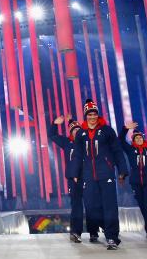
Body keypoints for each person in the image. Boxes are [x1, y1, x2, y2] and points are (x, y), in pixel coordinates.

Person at [72, 100, 128, 250]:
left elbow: (117, 151)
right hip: (88, 176)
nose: (92, 117)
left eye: (94, 114)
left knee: (110, 206)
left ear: (98, 115)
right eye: (89, 114)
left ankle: (112, 238)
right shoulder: (80, 134)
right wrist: (75, 173)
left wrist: (122, 170)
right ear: (85, 116)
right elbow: (77, 155)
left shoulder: (107, 131)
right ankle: (100, 228)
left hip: (106, 174)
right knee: (91, 207)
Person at [50, 115, 91, 243]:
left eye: (78, 130)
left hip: (88, 178)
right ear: (70, 132)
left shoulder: (87, 142)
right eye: (73, 130)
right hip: (73, 181)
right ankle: (75, 233)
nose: (76, 132)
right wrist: (54, 124)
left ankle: (94, 232)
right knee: (76, 206)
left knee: (92, 205)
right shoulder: (67, 142)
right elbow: (53, 136)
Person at [119, 121, 147, 239]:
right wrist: (125, 128)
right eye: (137, 138)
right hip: (136, 183)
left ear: (143, 139)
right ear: (133, 140)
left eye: (141, 137)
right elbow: (120, 139)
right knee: (143, 206)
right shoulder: (130, 151)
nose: (139, 139)